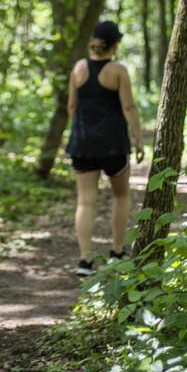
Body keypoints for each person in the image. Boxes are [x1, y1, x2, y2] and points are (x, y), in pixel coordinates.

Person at [65, 20, 145, 276]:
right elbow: (129, 107)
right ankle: (117, 252)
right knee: (121, 197)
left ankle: (85, 260)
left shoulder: (78, 68)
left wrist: (79, 133)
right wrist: (139, 138)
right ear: (115, 44)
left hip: (84, 145)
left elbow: (71, 107)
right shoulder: (118, 71)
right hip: (113, 146)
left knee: (85, 202)